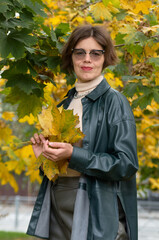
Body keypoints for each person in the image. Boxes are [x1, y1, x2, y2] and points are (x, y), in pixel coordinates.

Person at [27, 24, 138, 240]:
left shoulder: (115, 102)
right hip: (59, 207)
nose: (87, 59)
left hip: (95, 207)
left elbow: (126, 164)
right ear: (72, 57)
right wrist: (44, 159)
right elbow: (59, 167)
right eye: (80, 52)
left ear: (106, 58)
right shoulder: (64, 104)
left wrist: (73, 154)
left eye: (95, 53)